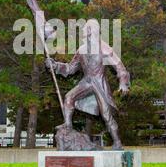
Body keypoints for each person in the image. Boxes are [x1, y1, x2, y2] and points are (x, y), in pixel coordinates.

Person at [46, 19, 130, 150]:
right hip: (86, 82)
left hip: (99, 83)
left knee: (106, 115)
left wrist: (123, 82)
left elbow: (119, 66)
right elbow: (70, 68)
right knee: (69, 97)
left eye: (86, 28)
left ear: (91, 30)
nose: (83, 30)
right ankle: (68, 124)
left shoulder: (104, 48)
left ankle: (117, 142)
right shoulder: (82, 50)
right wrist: (55, 65)